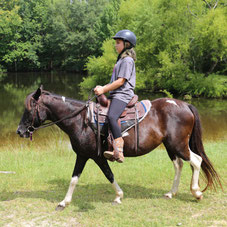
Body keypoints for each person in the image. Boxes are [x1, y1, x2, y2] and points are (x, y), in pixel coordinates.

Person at [94, 29, 137, 163]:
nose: (115, 45)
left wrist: (104, 89)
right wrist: (102, 88)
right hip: (116, 93)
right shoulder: (120, 61)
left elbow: (121, 81)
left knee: (112, 116)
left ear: (127, 44)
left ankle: (119, 149)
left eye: (118, 43)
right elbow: (114, 82)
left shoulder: (127, 60)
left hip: (123, 94)